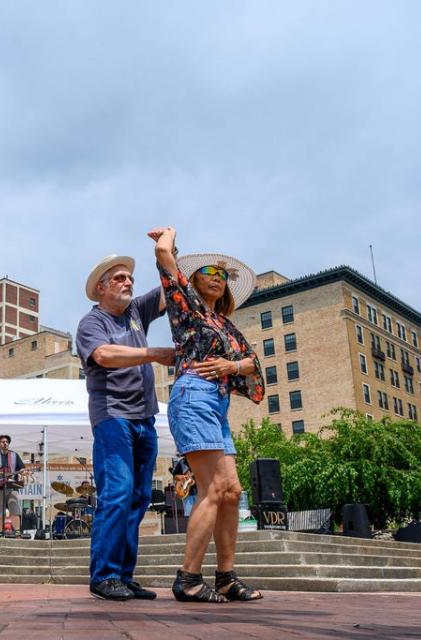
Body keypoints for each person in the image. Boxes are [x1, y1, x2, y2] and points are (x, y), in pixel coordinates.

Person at [149, 226, 265, 603]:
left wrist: (234, 367)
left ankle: (227, 577)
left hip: (217, 405)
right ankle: (189, 578)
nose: (216, 280)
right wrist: (168, 237)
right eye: (208, 274)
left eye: (222, 276)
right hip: (194, 396)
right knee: (213, 488)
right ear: (193, 281)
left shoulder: (227, 326)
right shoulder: (187, 309)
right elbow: (165, 258)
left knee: (232, 492)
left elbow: (252, 362)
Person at [76, 254, 175, 601]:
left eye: (130, 278)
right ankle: (103, 576)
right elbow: (104, 356)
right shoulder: (92, 323)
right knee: (117, 493)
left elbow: (171, 289)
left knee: (138, 498)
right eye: (119, 278)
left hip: (144, 419)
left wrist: (168, 251)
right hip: (112, 417)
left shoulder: (136, 312)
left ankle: (123, 575)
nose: (128, 282)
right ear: (101, 288)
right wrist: (154, 353)